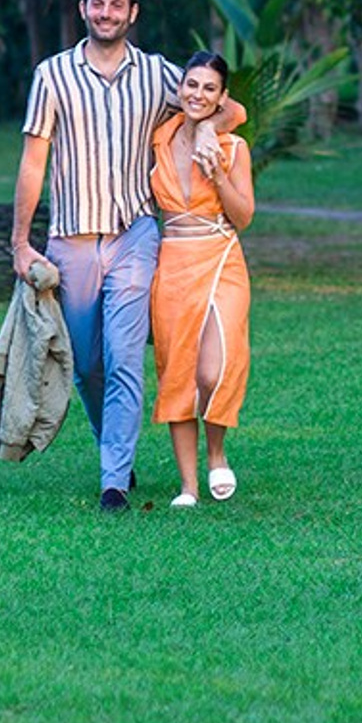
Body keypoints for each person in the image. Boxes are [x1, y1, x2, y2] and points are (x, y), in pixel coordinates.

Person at [12, 0, 242, 513]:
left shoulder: (157, 74)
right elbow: (32, 162)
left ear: (133, 13)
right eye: (98, 4)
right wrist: (21, 243)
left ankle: (114, 480)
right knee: (87, 365)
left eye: (117, 5)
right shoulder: (53, 76)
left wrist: (209, 126)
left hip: (135, 236)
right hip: (71, 239)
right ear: (83, 9)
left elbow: (225, 106)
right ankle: (113, 449)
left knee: (122, 359)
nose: (107, 13)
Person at [149, 52, 255, 507]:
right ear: (180, 89)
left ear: (221, 96)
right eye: (192, 85)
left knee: (213, 369)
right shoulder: (158, 138)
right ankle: (188, 486)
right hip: (173, 261)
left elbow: (244, 216)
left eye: (209, 88)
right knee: (179, 375)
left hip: (220, 255)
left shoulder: (233, 148)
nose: (198, 94)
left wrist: (217, 173)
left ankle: (217, 453)